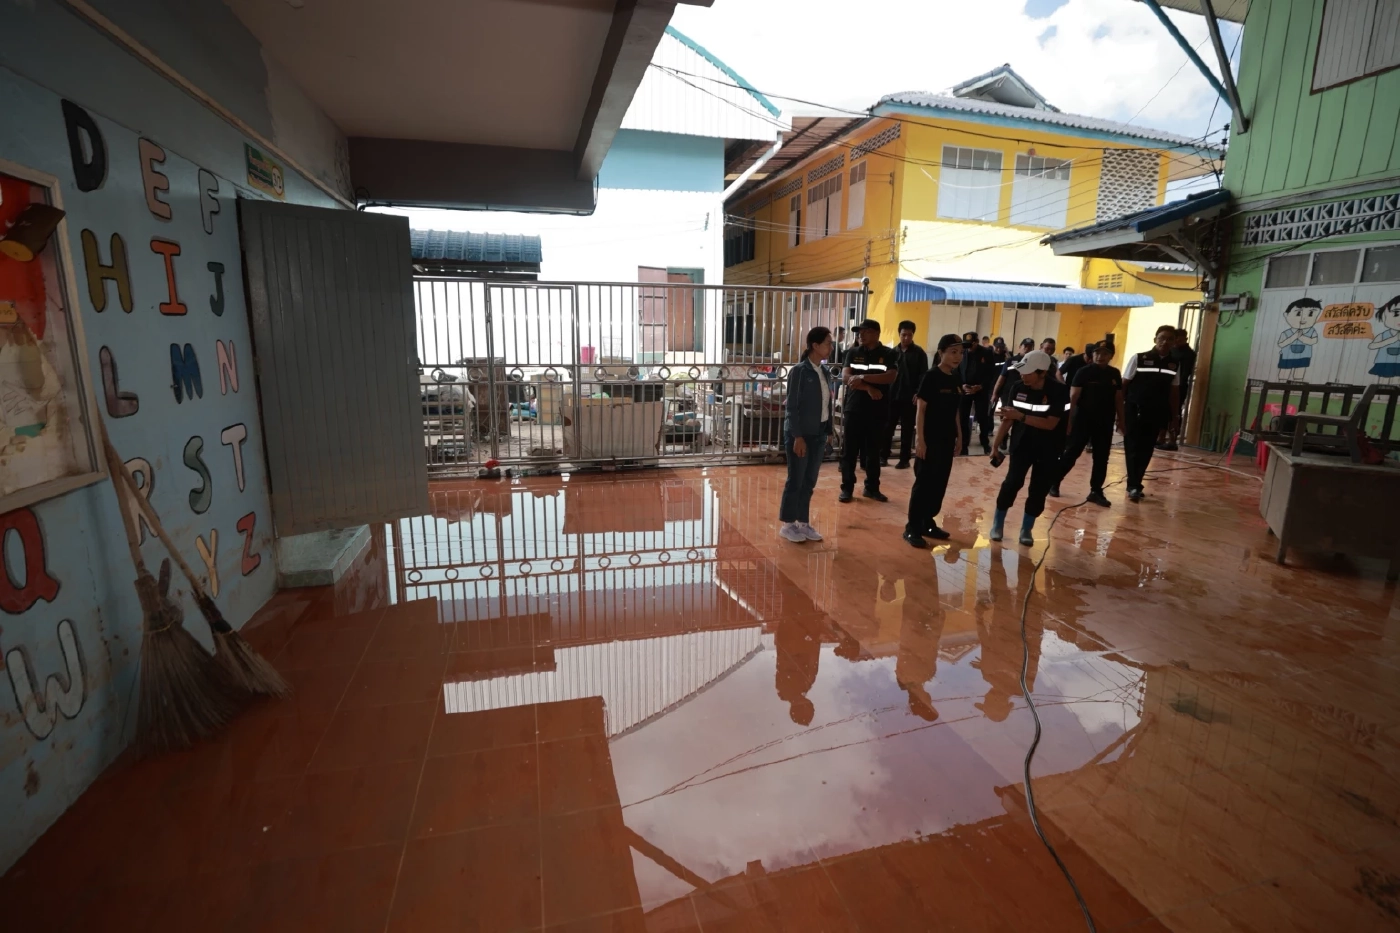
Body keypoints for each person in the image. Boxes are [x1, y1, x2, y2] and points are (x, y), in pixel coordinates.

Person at [985, 350, 1068, 546]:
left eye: (1027, 372)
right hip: (1022, 445)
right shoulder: (1016, 387)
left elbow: (1050, 424)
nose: (1022, 375)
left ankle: (1026, 529)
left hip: (1049, 448)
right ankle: (997, 524)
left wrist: (1020, 417)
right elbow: (1008, 419)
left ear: (1042, 372)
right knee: (1012, 483)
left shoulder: (1059, 391)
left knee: (1038, 489)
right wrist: (995, 446)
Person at [904, 334, 964, 547]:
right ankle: (912, 527)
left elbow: (956, 410)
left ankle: (928, 522)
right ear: (941, 353)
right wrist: (920, 440)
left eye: (960, 353)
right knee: (924, 483)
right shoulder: (931, 376)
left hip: (947, 439)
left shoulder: (956, 377)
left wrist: (960, 436)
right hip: (930, 439)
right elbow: (921, 409)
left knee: (940, 482)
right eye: (953, 352)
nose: (958, 357)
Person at [778, 326, 835, 542]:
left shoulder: (824, 371)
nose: (831, 346)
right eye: (828, 343)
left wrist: (829, 431)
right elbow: (791, 406)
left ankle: (803, 523)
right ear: (815, 345)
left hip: (818, 434)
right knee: (796, 479)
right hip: (800, 435)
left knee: (810, 480)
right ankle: (788, 524)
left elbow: (826, 404)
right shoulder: (799, 371)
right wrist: (797, 437)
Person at [1055, 342, 1124, 507]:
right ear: (1093, 355)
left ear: (1111, 356)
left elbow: (1118, 399)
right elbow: (1073, 399)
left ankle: (1096, 491)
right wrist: (1068, 422)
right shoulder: (1083, 372)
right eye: (1097, 353)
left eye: (1105, 354)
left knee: (1101, 457)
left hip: (1105, 422)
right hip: (1082, 420)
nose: (1101, 356)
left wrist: (1122, 420)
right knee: (1072, 453)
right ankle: (1054, 482)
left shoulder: (1114, 374)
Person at [839, 319, 899, 502]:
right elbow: (846, 377)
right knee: (849, 450)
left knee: (873, 451)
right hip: (854, 408)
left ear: (876, 333)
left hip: (877, 409)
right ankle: (847, 489)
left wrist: (862, 377)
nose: (861, 335)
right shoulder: (852, 352)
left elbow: (890, 376)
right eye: (859, 332)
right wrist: (868, 388)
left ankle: (872, 488)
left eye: (865, 331)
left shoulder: (888, 354)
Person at [1121, 325, 1181, 502]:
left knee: (1146, 449)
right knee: (1132, 448)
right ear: (1155, 339)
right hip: (1134, 410)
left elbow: (1174, 392)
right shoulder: (1139, 358)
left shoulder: (1174, 363)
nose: (1165, 342)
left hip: (1156, 412)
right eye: (1161, 338)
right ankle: (1133, 485)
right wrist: (1119, 412)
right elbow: (1124, 385)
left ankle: (1136, 482)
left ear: (1174, 342)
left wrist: (1175, 417)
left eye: (1170, 339)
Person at [883, 320, 928, 469]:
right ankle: (883, 456)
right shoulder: (891, 353)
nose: (906, 338)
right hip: (892, 396)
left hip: (910, 398)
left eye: (909, 335)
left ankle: (904, 459)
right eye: (903, 335)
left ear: (913, 335)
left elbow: (923, 376)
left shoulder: (919, 353)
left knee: (907, 430)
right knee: (888, 427)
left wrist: (919, 393)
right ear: (899, 334)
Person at [957, 331, 997, 456]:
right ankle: (964, 444)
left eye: (971, 344)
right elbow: (956, 370)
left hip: (980, 390)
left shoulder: (986, 353)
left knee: (982, 417)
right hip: (965, 389)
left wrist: (981, 386)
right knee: (963, 417)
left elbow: (991, 373)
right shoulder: (961, 352)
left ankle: (985, 442)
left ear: (977, 342)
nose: (968, 347)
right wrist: (961, 385)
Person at [1159, 328, 1197, 451]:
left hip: (1179, 386)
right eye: (1176, 339)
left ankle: (1172, 440)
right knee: (1163, 411)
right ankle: (1161, 438)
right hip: (1166, 386)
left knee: (1174, 412)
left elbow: (1184, 373)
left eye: (1180, 339)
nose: (1177, 342)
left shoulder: (1188, 353)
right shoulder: (1171, 350)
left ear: (1185, 339)